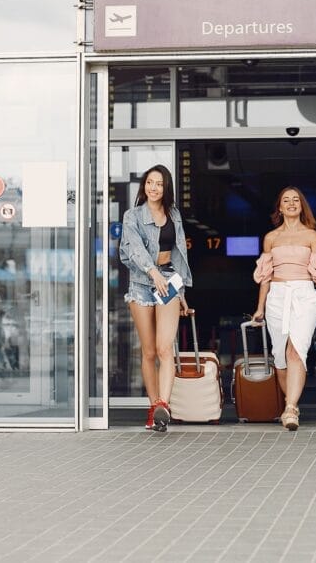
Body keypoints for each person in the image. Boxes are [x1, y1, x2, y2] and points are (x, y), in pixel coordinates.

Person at [252, 186, 316, 431]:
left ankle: (290, 408)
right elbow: (265, 277)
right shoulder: (271, 237)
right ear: (279, 208)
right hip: (277, 298)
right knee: (280, 358)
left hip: (304, 295)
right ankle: (292, 404)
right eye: (286, 200)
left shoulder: (311, 235)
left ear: (302, 206)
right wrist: (259, 308)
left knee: (296, 351)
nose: (291, 203)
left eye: (296, 200)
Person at [120, 164, 192, 432]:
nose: (154, 188)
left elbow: (179, 253)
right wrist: (152, 273)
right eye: (150, 182)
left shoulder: (173, 214)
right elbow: (135, 249)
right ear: (144, 186)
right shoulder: (132, 216)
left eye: (159, 184)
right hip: (141, 284)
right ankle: (153, 409)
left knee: (165, 348)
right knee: (149, 351)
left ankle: (164, 404)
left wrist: (181, 291)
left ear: (166, 188)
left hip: (170, 281)